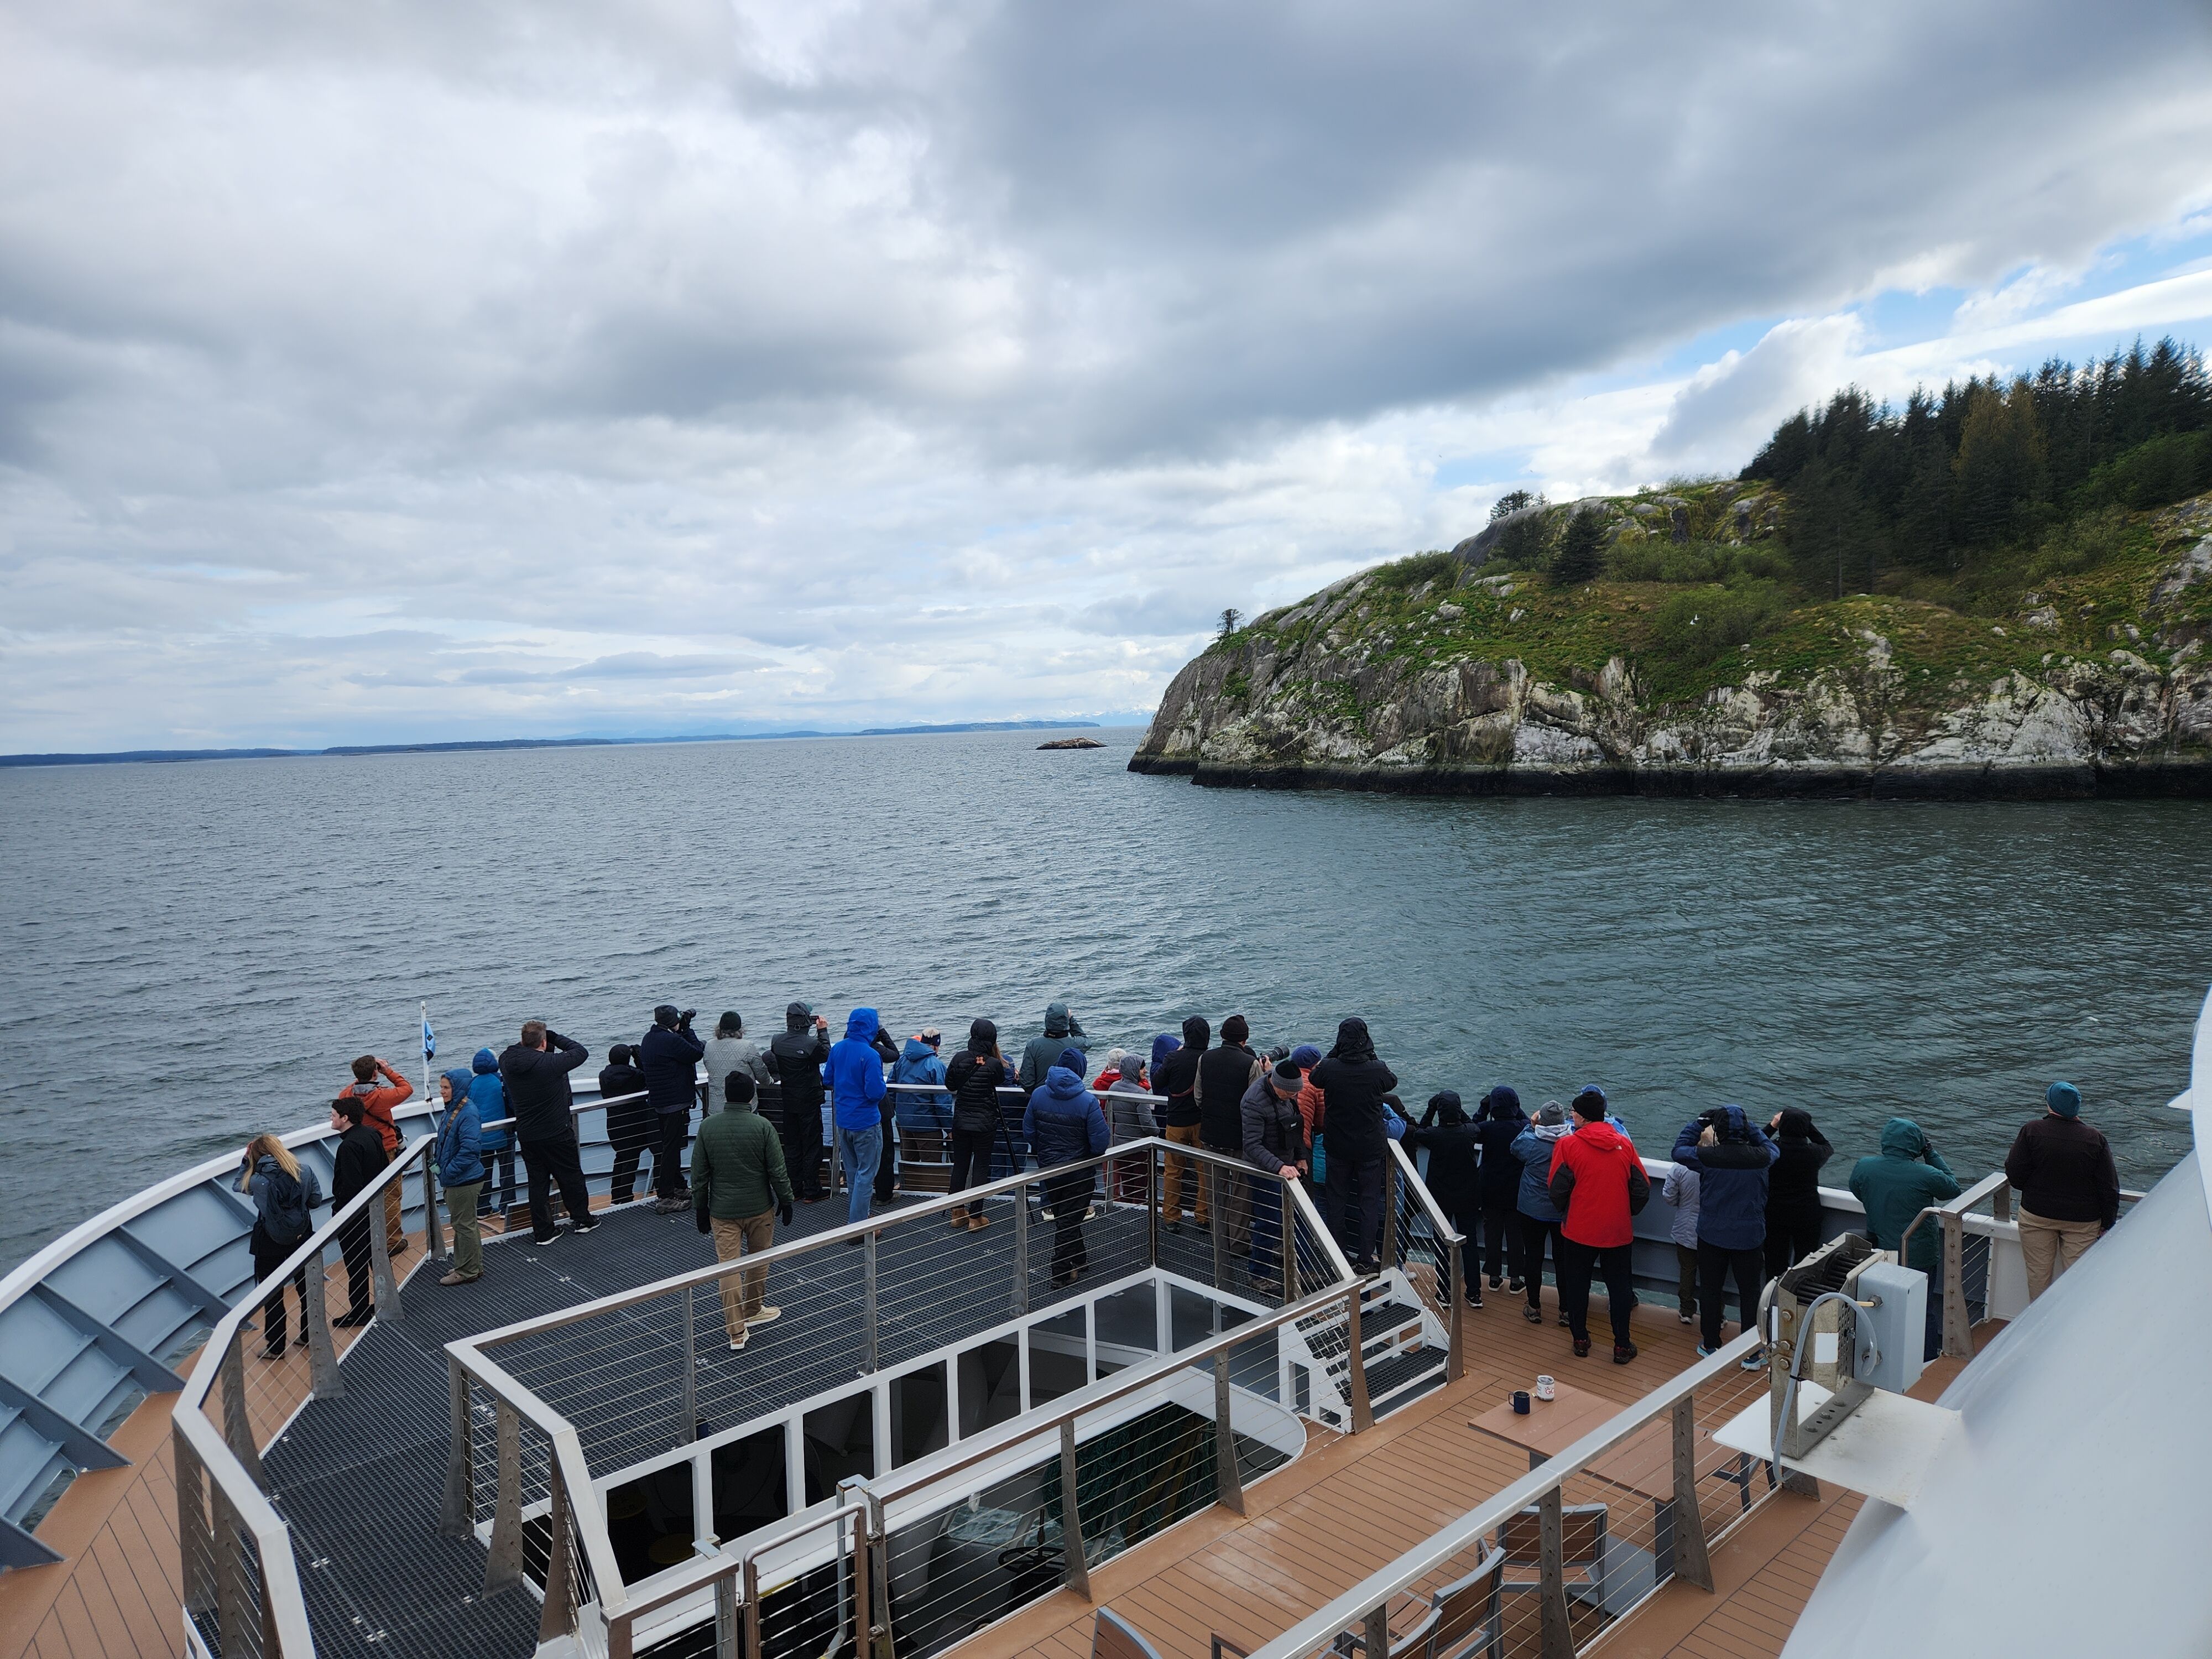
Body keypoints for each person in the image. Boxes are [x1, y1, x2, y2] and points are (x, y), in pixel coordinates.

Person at [692, 1071, 795, 1350]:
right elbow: (777, 1170)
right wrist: (786, 1200)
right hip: (760, 1208)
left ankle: (736, 1331)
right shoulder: (762, 1126)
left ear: (726, 1095)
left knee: (728, 1267)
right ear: (752, 1096)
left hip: (722, 1211)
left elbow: (699, 1175)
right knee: (758, 1261)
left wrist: (701, 1208)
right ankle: (753, 1309)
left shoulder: (708, 1127)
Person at [1548, 1087, 1652, 1362]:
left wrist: (1568, 1211)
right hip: (1617, 1230)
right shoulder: (1624, 1145)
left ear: (1583, 1118)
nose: (1571, 1115)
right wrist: (1625, 1211)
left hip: (1579, 1229)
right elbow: (1642, 1188)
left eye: (1573, 1112)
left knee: (1577, 1285)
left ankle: (1580, 1340)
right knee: (1619, 1288)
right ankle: (1622, 1346)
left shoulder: (1567, 1146)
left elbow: (1556, 1189)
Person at [1672, 1105, 1777, 1367]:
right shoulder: (1762, 1157)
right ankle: (1751, 1353)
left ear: (1718, 1131)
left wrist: (1699, 1122)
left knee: (1710, 1290)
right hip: (1749, 1236)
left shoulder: (1707, 1157)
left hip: (1712, 1234)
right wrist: (1751, 1128)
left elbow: (1679, 1150)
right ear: (1745, 1130)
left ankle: (1710, 1344)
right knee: (1750, 1293)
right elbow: (1771, 1147)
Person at [1848, 1117, 1960, 1361]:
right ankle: (1927, 1358)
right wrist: (1930, 1152)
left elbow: (1857, 1189)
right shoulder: (1926, 1174)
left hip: (1880, 1251)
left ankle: (1882, 1354)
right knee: (1922, 1308)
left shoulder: (1865, 1167)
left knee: (1880, 1305)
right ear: (1915, 1145)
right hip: (1918, 1253)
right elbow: (1953, 1188)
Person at [2004, 1081, 2121, 1301]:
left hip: (2037, 1214)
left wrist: (2032, 1188)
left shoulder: (2032, 1131)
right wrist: (2108, 1223)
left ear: (2050, 1104)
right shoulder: (2095, 1139)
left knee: (2038, 1277)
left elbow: (2015, 1172)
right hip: (2082, 1221)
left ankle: (2040, 1320)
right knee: (2078, 1280)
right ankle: (2074, 1320)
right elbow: (2109, 1187)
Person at [1309, 1018, 1397, 1275]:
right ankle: (1366, 1259)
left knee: (1336, 1201)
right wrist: (1371, 1053)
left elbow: (1315, 1076)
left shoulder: (1330, 1068)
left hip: (1338, 1146)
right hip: (1370, 1147)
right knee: (1369, 1203)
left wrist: (1335, 1052)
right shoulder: (1377, 1068)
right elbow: (1391, 1082)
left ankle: (1340, 1254)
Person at [499, 1020, 597, 1245]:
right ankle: (582, 1220)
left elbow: (520, 1051)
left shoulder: (506, 1061)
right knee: (571, 1177)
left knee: (537, 1184)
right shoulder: (550, 1063)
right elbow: (580, 1052)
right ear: (543, 1043)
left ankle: (543, 1232)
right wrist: (555, 1037)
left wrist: (536, 1039)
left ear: (523, 1041)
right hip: (557, 1132)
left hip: (528, 1134)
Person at [1024, 1050, 1110, 1287]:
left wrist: (1045, 1152)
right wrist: (1086, 1156)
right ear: (1081, 1071)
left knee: (1066, 1216)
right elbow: (1100, 1143)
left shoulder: (1039, 1094)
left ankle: (1079, 1258)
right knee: (1069, 1220)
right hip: (1079, 1171)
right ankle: (1060, 1272)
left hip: (1050, 1169)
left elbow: (1029, 1131)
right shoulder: (1088, 1101)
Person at [236, 1133, 325, 1358]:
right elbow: (315, 1201)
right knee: (306, 1287)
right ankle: (309, 1334)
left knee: (273, 1294)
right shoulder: (304, 1171)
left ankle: (276, 1347)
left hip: (269, 1241)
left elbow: (238, 1186)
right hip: (302, 1236)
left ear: (258, 1155)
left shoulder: (257, 1181)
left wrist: (246, 1160)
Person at [1405, 1092, 1483, 1310]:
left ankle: (1444, 1293)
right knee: (1470, 1244)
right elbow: (1472, 1124)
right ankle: (1474, 1293)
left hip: (1440, 1198)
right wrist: (1457, 1112)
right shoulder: (1469, 1132)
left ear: (1440, 1112)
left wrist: (1432, 1107)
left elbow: (1419, 1130)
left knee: (1441, 1244)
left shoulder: (1434, 1135)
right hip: (1467, 1197)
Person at [1241, 1059, 1311, 1291]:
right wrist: (1279, 1167)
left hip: (1286, 1165)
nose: (1293, 1097)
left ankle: (1299, 1266)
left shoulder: (1289, 1095)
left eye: (1295, 1093)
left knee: (1299, 1218)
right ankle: (1258, 1274)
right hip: (1264, 1171)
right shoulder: (1254, 1101)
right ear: (1276, 1084)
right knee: (1268, 1222)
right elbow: (1252, 1145)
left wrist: (1301, 1157)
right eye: (1289, 1093)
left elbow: (1295, 1126)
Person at [1198, 1015, 1260, 1255]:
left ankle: (1219, 1240)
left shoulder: (1205, 1058)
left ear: (1222, 1036)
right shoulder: (1250, 1064)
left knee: (1216, 1190)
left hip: (1211, 1135)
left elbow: (1198, 1097)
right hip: (1240, 1138)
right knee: (1241, 1191)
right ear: (1245, 1040)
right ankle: (1238, 1241)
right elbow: (1255, 1105)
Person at [945, 1019, 1015, 1229]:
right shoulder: (994, 1064)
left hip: (961, 1121)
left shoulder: (959, 1058)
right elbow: (999, 1080)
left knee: (960, 1165)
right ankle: (976, 1218)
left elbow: (950, 1085)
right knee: (981, 1167)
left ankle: (957, 1213)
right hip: (985, 1123)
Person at [827, 1008, 893, 1230]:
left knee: (853, 1172)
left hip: (844, 1121)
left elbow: (828, 1079)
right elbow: (875, 1093)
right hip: (866, 1122)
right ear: (872, 1027)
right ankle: (857, 1225)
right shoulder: (871, 1055)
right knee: (867, 1173)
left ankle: (859, 1216)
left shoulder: (838, 1049)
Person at [340, 1055, 413, 1256]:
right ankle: (392, 1242)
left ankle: (371, 1239)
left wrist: (362, 1078)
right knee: (391, 1196)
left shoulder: (347, 1095)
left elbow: (350, 1091)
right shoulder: (383, 1097)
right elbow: (407, 1088)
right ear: (376, 1072)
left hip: (361, 1153)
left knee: (366, 1196)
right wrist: (387, 1071)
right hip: (386, 1150)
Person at [328, 1095, 388, 1327]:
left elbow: (351, 1186)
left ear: (345, 1118)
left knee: (356, 1264)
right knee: (376, 1257)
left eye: (334, 1115)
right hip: (374, 1208)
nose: (331, 1118)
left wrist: (340, 1211)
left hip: (354, 1215)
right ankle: (387, 1298)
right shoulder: (373, 1134)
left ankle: (359, 1311)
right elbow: (384, 1168)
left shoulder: (348, 1147)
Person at [639, 1005, 706, 1212]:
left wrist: (680, 1029)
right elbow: (696, 1052)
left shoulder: (650, 1038)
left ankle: (678, 1186)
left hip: (661, 1102)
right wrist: (687, 1029)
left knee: (671, 1146)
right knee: (670, 1149)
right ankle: (666, 1196)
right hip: (675, 1102)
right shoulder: (670, 1040)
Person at [1511, 1103, 1573, 1325]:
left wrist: (1531, 1125)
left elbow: (1515, 1147)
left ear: (1542, 1121)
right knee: (1563, 1261)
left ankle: (1534, 1306)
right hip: (1561, 1210)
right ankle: (1565, 1310)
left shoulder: (1531, 1143)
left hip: (1532, 1209)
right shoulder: (1571, 1144)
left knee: (1533, 1257)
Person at [766, 1002, 832, 1202]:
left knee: (792, 1146)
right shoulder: (810, 1044)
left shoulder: (777, 1041)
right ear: (804, 1021)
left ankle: (795, 1189)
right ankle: (812, 1190)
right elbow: (826, 1054)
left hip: (788, 1101)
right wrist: (823, 1031)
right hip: (809, 1102)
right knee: (812, 1146)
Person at [1763, 1108, 1834, 1279]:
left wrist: (1772, 1126)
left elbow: (1753, 1144)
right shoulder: (1814, 1153)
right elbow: (1827, 1146)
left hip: (1775, 1214)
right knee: (1806, 1264)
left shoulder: (1772, 1151)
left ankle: (1773, 1294)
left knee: (1774, 1264)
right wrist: (1808, 1127)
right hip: (1807, 1215)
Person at [1471, 1086, 1529, 1292]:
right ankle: (1515, 1279)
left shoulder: (1486, 1128)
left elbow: (1471, 1128)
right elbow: (1528, 1120)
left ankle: (1494, 1277)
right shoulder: (1522, 1127)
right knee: (1516, 1235)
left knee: (1492, 1234)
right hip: (1515, 1189)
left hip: (1490, 1188)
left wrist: (1483, 1109)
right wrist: (1515, 1109)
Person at [432, 1068, 486, 1286]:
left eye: (446, 1087)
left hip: (463, 1181)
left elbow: (470, 1151)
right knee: (466, 1225)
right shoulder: (454, 1109)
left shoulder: (467, 1112)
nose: (442, 1091)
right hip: (459, 1179)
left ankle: (467, 1270)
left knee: (464, 1226)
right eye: (441, 1087)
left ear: (458, 1088)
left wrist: (448, 1171)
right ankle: (471, 1265)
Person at [1155, 1016, 1209, 1233]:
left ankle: (1171, 1217)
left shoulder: (1173, 1057)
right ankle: (1203, 1218)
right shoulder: (1208, 1059)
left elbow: (1158, 1081)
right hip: (1202, 1122)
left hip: (1176, 1122)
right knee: (1204, 1172)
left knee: (1173, 1171)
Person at [884, 1029, 950, 1202]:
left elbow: (890, 1088)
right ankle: (932, 1201)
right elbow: (942, 1103)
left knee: (909, 1163)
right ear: (936, 1046)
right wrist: (949, 1129)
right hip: (928, 1127)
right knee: (931, 1166)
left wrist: (899, 1112)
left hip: (904, 1122)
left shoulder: (902, 1060)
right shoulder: (935, 1065)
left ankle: (908, 1200)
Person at [600, 1042, 655, 1206]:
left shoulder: (603, 1076)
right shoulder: (634, 1075)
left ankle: (616, 1197)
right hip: (634, 1125)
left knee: (621, 1157)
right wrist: (638, 1056)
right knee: (631, 1160)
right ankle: (625, 1198)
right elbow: (649, 1076)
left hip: (614, 1125)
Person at [469, 1047, 517, 1220]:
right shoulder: (501, 1080)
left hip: (481, 1137)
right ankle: (507, 1208)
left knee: (484, 1173)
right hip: (504, 1133)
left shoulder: (471, 1084)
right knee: (507, 1173)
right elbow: (511, 1103)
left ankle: (483, 1209)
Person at [1105, 1051, 1154, 1203]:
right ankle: (1138, 1213)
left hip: (1121, 1145)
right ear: (1134, 1070)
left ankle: (1126, 1210)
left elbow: (1110, 1115)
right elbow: (1147, 1124)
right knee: (1140, 1187)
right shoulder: (1141, 1093)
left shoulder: (1113, 1088)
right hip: (1139, 1147)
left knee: (1127, 1184)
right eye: (1142, 1068)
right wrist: (1157, 1132)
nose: (1145, 1071)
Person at [701, 1013, 775, 1111]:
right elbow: (761, 1074)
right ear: (740, 1029)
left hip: (717, 1107)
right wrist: (770, 1081)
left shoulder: (709, 1046)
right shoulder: (748, 1046)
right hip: (744, 1106)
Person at [1018, 1001, 1089, 1099]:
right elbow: (1087, 1042)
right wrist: (1071, 1020)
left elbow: (1027, 1083)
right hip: (1070, 1098)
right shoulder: (1075, 1044)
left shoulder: (1033, 1045)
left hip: (1041, 1099)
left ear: (1047, 1020)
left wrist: (1039, 1094)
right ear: (1066, 1021)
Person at [1660, 1159, 1700, 1328]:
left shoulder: (1680, 1166)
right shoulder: (1720, 1163)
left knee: (1687, 1270)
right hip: (1714, 1229)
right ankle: (1717, 1315)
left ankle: (1686, 1311)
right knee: (1714, 1274)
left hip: (1686, 1226)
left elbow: (1669, 1196)